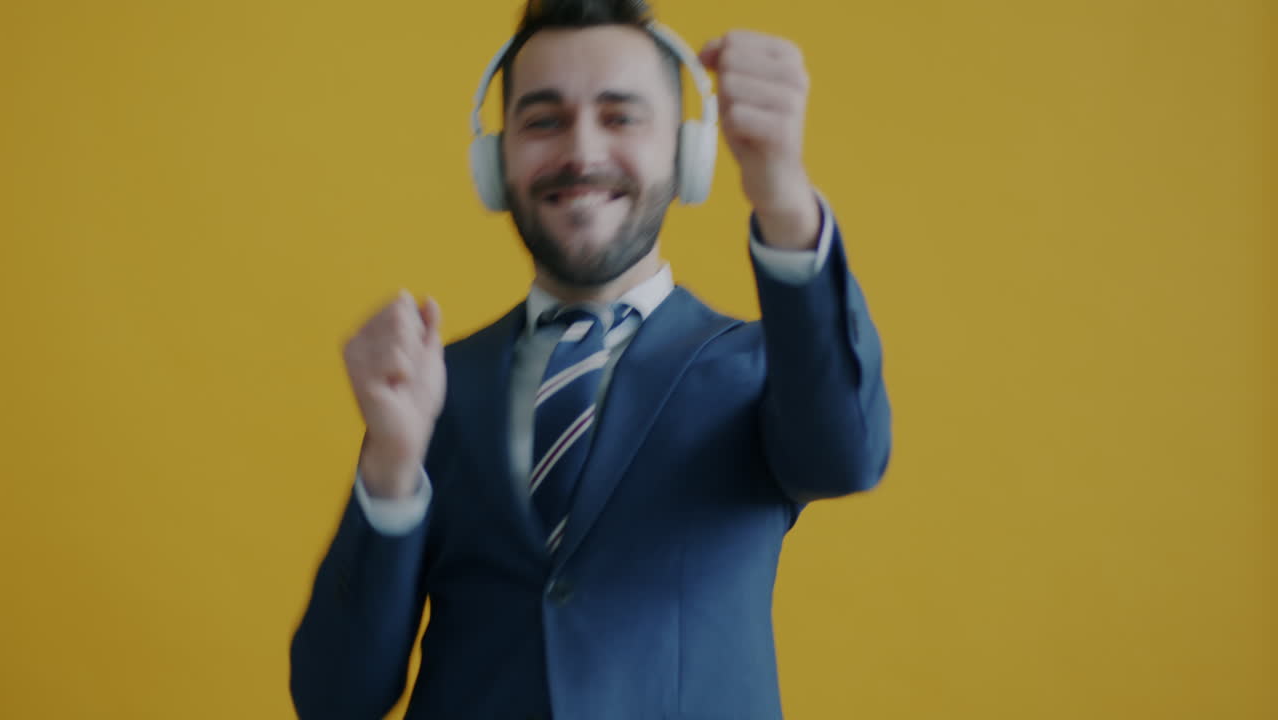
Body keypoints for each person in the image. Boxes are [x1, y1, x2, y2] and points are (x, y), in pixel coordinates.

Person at [290, 0, 892, 717]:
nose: (581, 152)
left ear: (686, 152)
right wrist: (390, 467)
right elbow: (335, 699)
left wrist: (783, 195)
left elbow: (847, 457)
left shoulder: (762, 368)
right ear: (495, 161)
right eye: (543, 121)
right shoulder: (434, 388)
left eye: (620, 117)